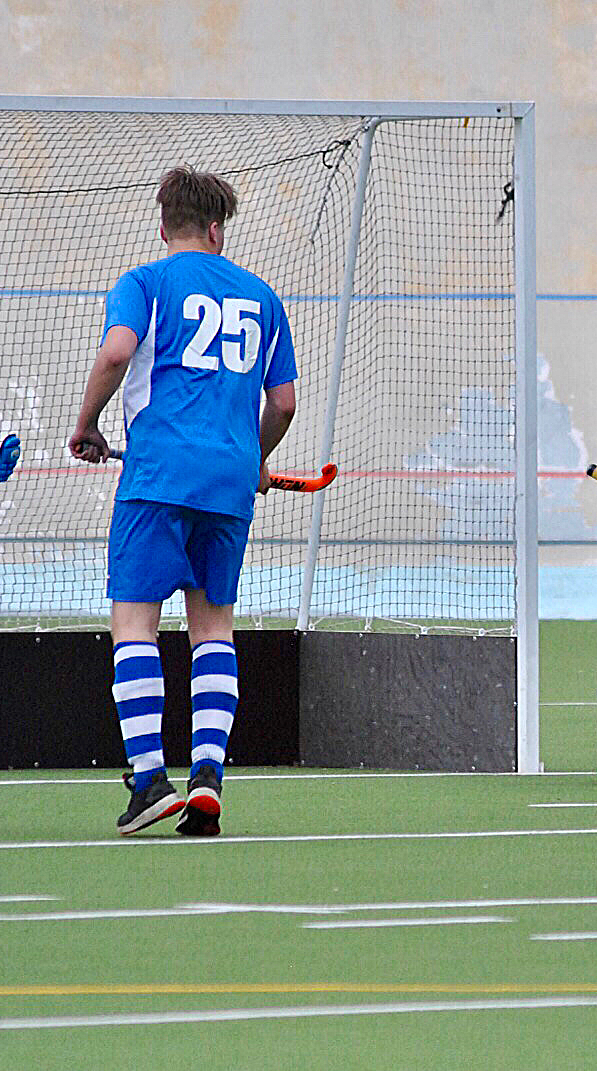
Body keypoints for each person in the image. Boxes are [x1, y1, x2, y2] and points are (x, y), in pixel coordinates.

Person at [68, 166, 297, 837]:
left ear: (164, 226)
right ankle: (207, 778)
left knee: (134, 623)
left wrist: (87, 424)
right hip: (227, 486)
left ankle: (149, 780)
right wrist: (253, 460)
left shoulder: (145, 282)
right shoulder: (262, 297)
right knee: (213, 629)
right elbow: (283, 403)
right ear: (217, 229)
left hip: (157, 478)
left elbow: (117, 353)